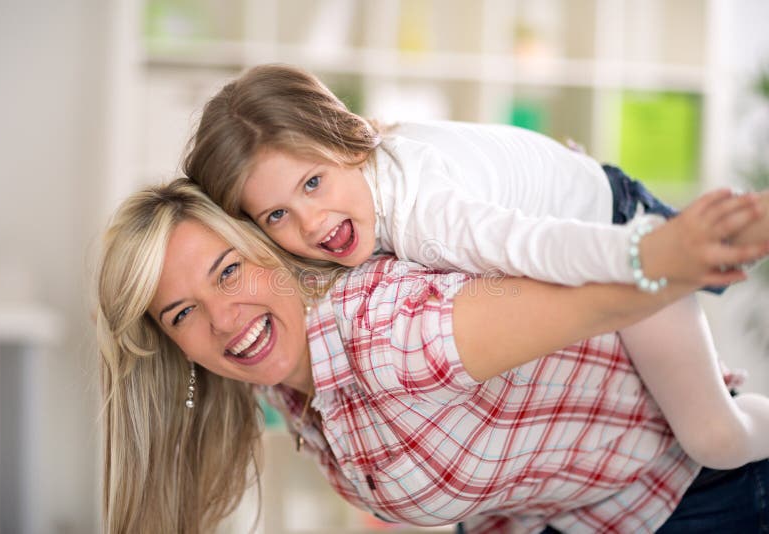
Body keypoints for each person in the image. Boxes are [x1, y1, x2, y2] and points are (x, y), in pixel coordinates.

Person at [183, 63, 769, 471]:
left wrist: (649, 253)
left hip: (609, 228)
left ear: (348, 142)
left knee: (714, 438)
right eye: (277, 215)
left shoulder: (430, 215)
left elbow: (538, 245)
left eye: (313, 183)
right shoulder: (366, 177)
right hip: (581, 197)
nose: (311, 224)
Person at [96, 179, 769, 533]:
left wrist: (688, 250)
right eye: (181, 313)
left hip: (704, 494)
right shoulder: (282, 375)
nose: (222, 319)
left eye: (227, 271)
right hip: (588, 517)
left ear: (265, 250)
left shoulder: (389, 333)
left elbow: (600, 299)